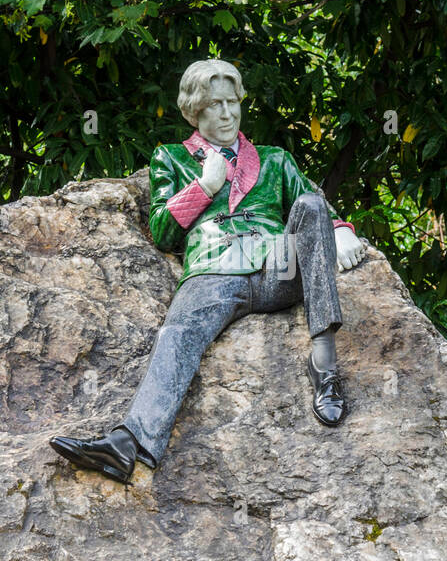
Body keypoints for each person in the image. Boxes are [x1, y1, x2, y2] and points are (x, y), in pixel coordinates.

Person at [49, 59, 367, 483]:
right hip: (213, 272)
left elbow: (311, 203)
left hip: (278, 267)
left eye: (231, 102)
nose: (226, 113)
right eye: (214, 104)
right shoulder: (173, 158)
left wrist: (338, 228)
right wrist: (204, 187)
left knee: (309, 205)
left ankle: (324, 368)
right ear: (195, 111)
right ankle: (128, 444)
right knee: (177, 334)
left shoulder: (275, 159)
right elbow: (162, 232)